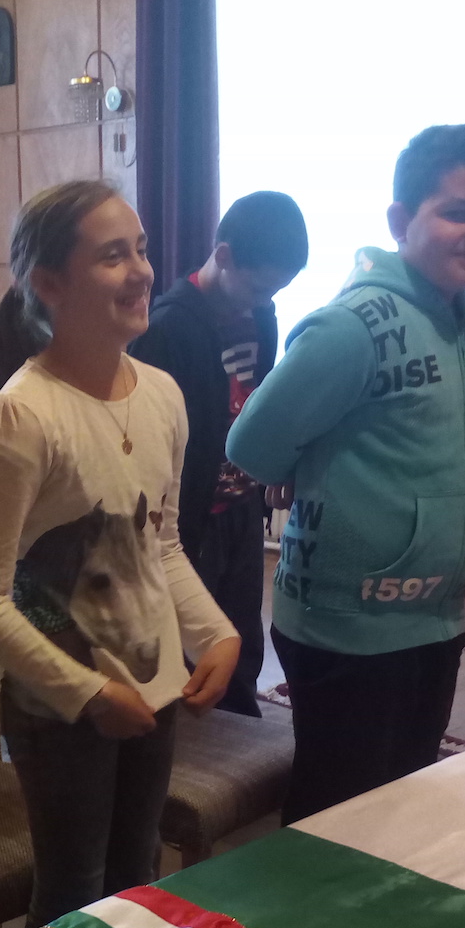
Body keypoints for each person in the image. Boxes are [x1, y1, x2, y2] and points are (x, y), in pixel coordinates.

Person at [0, 181, 241, 928]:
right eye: (113, 256)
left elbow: (158, 546)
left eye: (140, 249)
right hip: (58, 700)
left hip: (150, 686)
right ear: (49, 283)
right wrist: (85, 692)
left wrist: (215, 632)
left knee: (135, 871)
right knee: (73, 892)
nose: (141, 270)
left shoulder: (164, 394)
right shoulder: (23, 414)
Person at [229, 123, 465, 822]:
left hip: (433, 615)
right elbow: (253, 444)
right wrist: (304, 469)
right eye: (458, 211)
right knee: (337, 820)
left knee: (401, 806)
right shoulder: (352, 325)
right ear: (401, 220)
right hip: (347, 626)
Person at [129, 192, 308, 716]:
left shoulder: (261, 315)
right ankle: (194, 747)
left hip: (240, 506)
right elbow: (149, 442)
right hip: (190, 517)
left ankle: (241, 734)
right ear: (223, 256)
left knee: (242, 636)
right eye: (258, 287)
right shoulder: (166, 330)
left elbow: (258, 406)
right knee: (192, 647)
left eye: (276, 291)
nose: (262, 301)